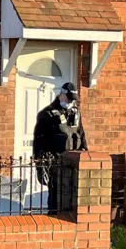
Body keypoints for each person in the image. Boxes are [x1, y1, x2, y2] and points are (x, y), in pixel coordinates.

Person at [32, 82, 88, 214]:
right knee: (55, 196)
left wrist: (85, 151)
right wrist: (40, 165)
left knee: (72, 195)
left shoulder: (75, 113)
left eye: (73, 100)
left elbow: (81, 134)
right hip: (55, 162)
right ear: (62, 95)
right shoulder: (47, 115)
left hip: (73, 162)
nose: (70, 103)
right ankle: (53, 219)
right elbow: (39, 142)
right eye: (68, 99)